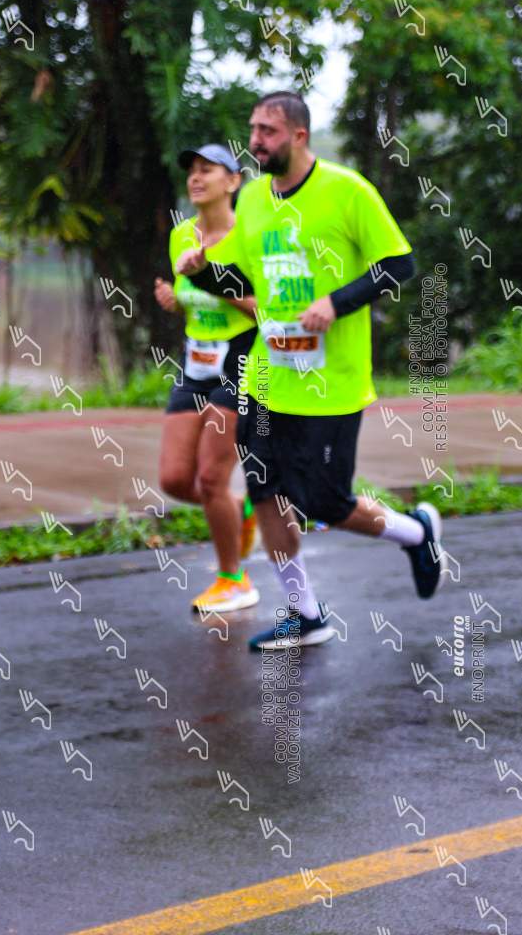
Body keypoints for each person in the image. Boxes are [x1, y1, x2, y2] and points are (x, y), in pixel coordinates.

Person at [174, 93, 444, 651]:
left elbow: (399, 264)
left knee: (324, 502)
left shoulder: (346, 190)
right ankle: (304, 613)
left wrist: (336, 303)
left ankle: (415, 533)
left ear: (299, 136)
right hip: (266, 376)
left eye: (268, 131)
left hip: (331, 383)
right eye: (253, 129)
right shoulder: (252, 199)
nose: (256, 141)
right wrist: (202, 274)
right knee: (265, 489)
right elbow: (246, 283)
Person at [155, 143, 260, 614]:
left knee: (211, 477)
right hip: (196, 361)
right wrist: (176, 299)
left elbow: (267, 309)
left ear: (233, 181)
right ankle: (238, 511)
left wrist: (209, 278)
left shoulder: (250, 237)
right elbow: (190, 299)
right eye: (191, 171)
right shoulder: (182, 234)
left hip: (241, 358)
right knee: (176, 479)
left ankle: (233, 579)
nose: (195, 178)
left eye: (207, 170)